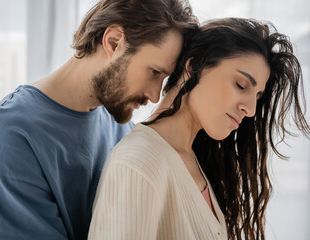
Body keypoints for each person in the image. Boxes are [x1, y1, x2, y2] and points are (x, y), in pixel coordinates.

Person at [0, 0, 198, 239]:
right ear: (114, 42)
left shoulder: (120, 127)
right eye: (154, 72)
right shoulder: (14, 130)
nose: (153, 96)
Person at [88, 18, 310, 240]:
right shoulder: (138, 162)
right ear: (194, 66)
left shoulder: (193, 161)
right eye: (241, 85)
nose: (251, 109)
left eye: (257, 96)